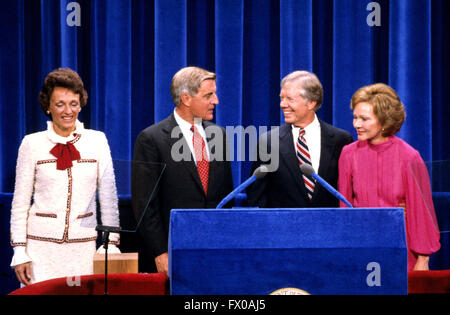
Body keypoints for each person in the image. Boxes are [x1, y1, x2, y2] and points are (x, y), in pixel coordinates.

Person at [10, 68, 120, 285]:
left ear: (81, 104)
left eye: (74, 103)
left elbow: (109, 198)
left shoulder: (97, 141)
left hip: (84, 250)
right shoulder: (31, 144)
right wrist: (20, 250)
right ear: (48, 107)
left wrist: (112, 241)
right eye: (60, 104)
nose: (68, 110)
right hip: (40, 250)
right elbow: (20, 203)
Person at [132, 66, 234, 276]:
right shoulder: (152, 139)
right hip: (174, 252)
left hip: (216, 252)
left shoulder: (219, 135)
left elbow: (226, 196)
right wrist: (159, 252)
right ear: (186, 99)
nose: (216, 101)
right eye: (209, 95)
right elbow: (145, 204)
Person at [338, 83, 440, 271]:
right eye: (355, 117)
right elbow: (344, 207)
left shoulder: (410, 157)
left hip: (400, 250)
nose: (356, 124)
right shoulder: (348, 154)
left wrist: (423, 260)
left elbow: (422, 213)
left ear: (384, 122)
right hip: (361, 250)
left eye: (364, 119)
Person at [247, 70, 353, 208]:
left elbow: (348, 191)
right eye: (282, 98)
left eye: (290, 99)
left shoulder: (340, 140)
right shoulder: (268, 142)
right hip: (283, 227)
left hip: (329, 226)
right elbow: (257, 196)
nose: (282, 104)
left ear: (311, 103)